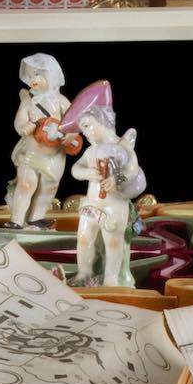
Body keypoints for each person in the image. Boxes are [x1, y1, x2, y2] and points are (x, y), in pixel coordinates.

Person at [62, 80, 145, 289]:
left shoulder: (122, 146)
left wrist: (116, 180)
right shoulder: (91, 151)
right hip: (91, 205)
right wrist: (87, 173)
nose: (86, 133)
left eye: (88, 126)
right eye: (83, 129)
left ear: (103, 121)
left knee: (113, 242)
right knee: (83, 239)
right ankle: (85, 273)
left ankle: (111, 279)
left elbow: (133, 169)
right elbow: (75, 170)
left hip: (114, 206)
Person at [7, 53, 75, 227]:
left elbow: (75, 121)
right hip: (31, 150)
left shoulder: (61, 101)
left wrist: (71, 134)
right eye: (30, 76)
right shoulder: (28, 101)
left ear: (50, 76)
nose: (33, 79)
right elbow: (20, 119)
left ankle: (36, 217)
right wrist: (23, 126)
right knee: (26, 184)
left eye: (37, 74)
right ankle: (16, 220)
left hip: (54, 153)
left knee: (48, 187)